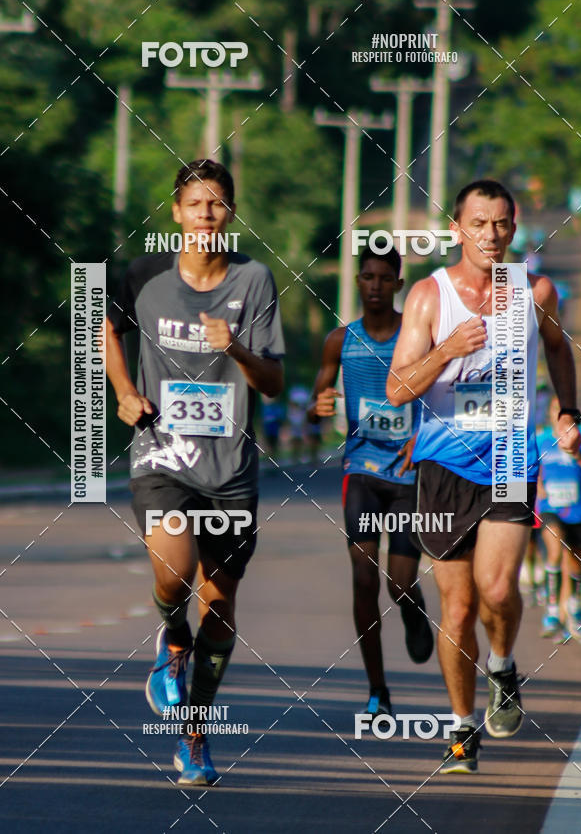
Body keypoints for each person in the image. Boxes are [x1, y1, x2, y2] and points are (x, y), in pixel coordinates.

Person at [386, 179, 581, 773]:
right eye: (479, 223)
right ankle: (462, 727)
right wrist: (445, 351)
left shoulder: (536, 291)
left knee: (498, 591)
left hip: (508, 461)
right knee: (460, 607)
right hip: (443, 466)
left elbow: (558, 349)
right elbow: (397, 389)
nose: (491, 235)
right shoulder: (428, 296)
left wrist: (566, 410)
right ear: (456, 228)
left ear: (514, 226)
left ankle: (501, 664)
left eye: (502, 224)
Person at [105, 159, 285, 785]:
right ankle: (169, 638)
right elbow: (104, 326)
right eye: (195, 204)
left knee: (222, 601)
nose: (206, 215)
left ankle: (194, 740)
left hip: (230, 470)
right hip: (163, 454)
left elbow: (272, 380)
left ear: (230, 213)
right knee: (174, 570)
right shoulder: (144, 274)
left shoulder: (254, 279)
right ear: (175, 212)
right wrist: (125, 391)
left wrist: (233, 346)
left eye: (218, 205)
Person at [308, 245, 434, 720]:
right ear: (357, 281)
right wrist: (316, 410)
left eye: (385, 277)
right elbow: (318, 400)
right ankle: (377, 689)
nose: (375, 285)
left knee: (397, 584)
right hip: (361, 471)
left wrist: (422, 436)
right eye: (367, 277)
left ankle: (413, 605)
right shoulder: (341, 340)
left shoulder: (417, 335)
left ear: (399, 284)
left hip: (408, 475)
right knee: (363, 580)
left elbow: (441, 394)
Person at [537, 395, 581, 639]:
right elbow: (522, 471)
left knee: (575, 563)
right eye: (556, 409)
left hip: (578, 511)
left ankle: (573, 606)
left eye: (565, 410)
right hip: (549, 508)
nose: (561, 415)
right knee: (554, 549)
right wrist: (535, 488)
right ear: (552, 413)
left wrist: (579, 457)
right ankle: (552, 610)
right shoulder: (540, 440)